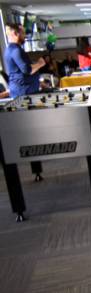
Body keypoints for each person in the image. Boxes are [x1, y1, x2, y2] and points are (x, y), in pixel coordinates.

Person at [3, 23, 46, 181]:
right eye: (22, 32)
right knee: (29, 133)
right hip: (24, 96)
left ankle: (37, 168)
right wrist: (41, 63)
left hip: (27, 92)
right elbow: (27, 70)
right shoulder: (14, 50)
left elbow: (23, 73)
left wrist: (39, 83)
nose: (25, 35)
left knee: (31, 132)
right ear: (15, 34)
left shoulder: (15, 49)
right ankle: (35, 168)